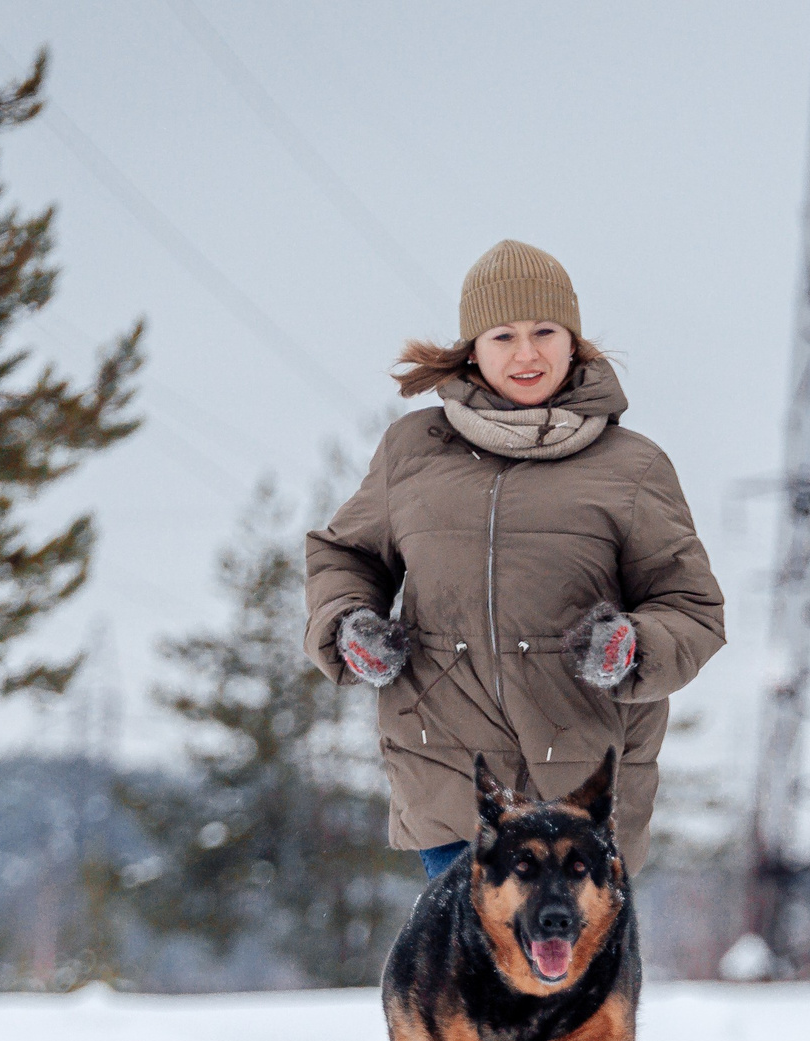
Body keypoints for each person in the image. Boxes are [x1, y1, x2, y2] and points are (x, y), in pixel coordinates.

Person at [304, 239, 725, 881]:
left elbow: (692, 609)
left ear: (573, 342)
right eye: (504, 335)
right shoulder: (413, 450)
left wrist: (633, 647)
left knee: (557, 951)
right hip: (450, 780)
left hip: (583, 793)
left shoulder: (633, 467)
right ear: (474, 349)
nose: (527, 354)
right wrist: (348, 624)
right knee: (471, 947)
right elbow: (347, 555)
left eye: (544, 331)